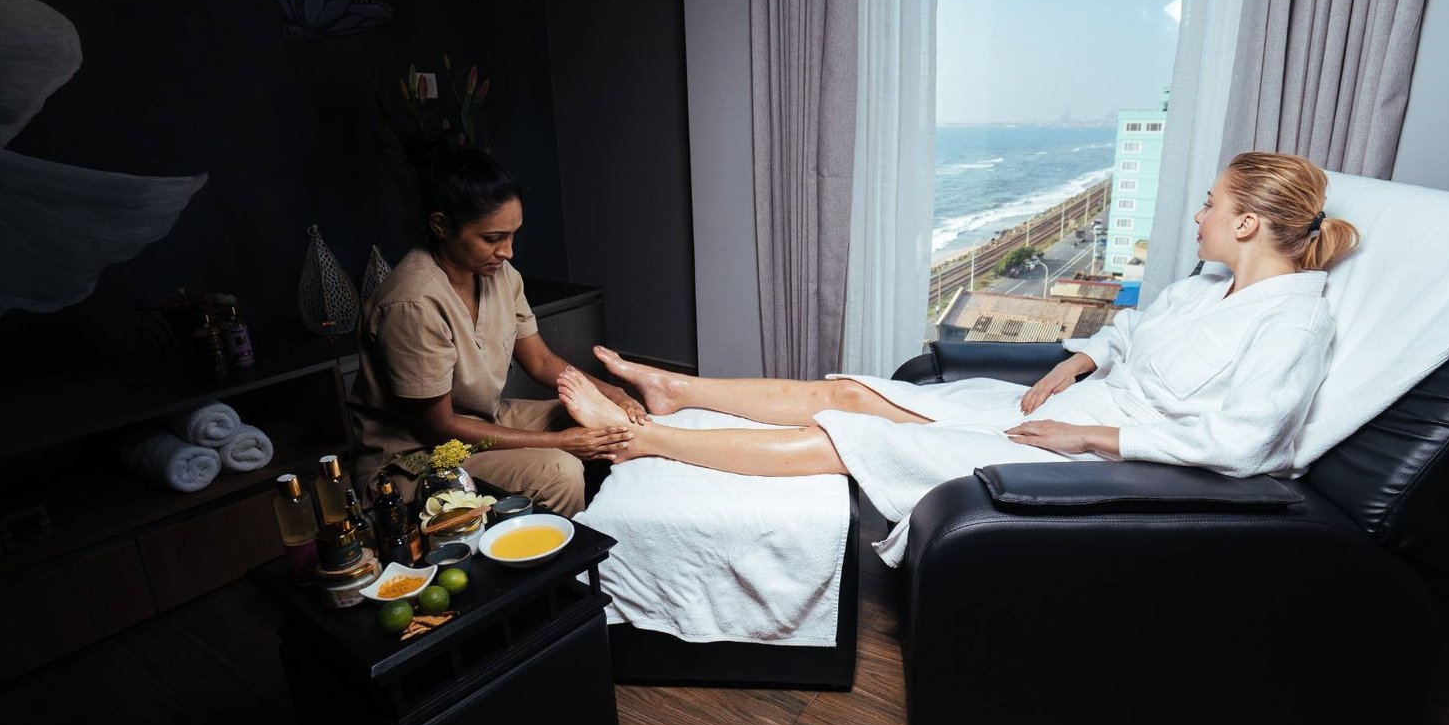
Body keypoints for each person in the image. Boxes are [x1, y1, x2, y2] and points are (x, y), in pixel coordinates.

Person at [551, 152, 1360, 544]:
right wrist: (1079, 359)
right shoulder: (1207, 287)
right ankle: (677, 391)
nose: (1200, 216)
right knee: (855, 393)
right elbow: (1128, 334)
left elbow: (1243, 445)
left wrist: (1091, 436)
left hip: (1106, 459)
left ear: (1247, 222)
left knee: (854, 436)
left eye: (1211, 204)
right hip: (1078, 413)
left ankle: (644, 439)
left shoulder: (1293, 323)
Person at [348, 148, 645, 513]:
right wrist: (562, 443)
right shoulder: (412, 303)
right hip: (418, 456)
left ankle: (607, 525)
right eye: (493, 238)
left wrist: (612, 394)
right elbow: (438, 426)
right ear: (440, 226)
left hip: (481, 422)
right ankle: (569, 548)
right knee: (560, 470)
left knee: (604, 421)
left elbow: (540, 361)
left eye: (512, 235)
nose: (508, 251)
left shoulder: (499, 275)